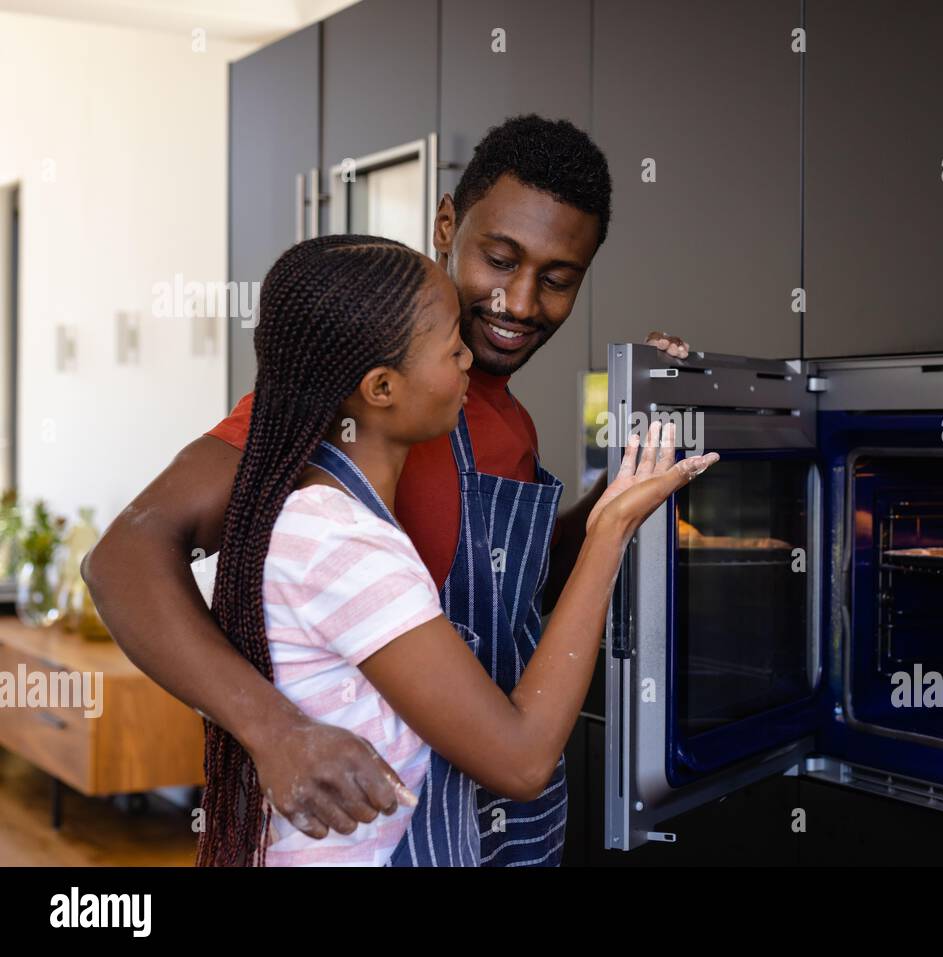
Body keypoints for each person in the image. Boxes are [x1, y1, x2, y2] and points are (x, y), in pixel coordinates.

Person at [83, 115, 693, 866]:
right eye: (500, 259)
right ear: (447, 224)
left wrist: (618, 492)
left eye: (558, 279)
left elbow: (521, 596)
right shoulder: (339, 412)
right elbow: (123, 557)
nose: (520, 302)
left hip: (492, 819)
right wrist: (272, 727)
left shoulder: (510, 424)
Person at [195, 233, 713, 865]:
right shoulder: (342, 544)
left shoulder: (322, 511)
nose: (470, 357)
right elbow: (522, 762)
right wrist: (611, 532)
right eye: (452, 348)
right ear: (382, 389)